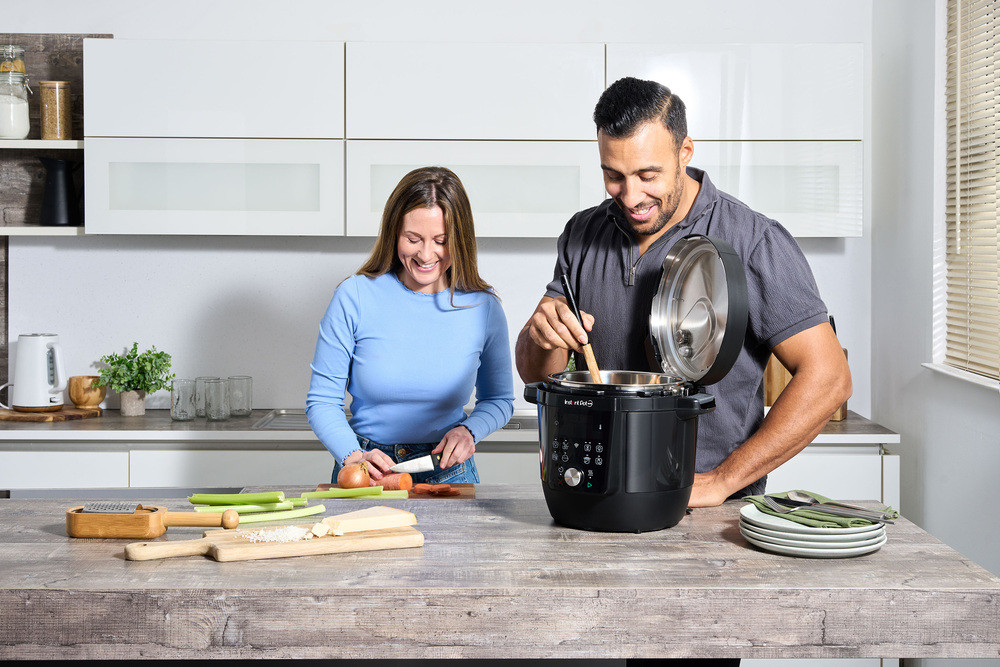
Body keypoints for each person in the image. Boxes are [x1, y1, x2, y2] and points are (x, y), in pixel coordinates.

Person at [515, 76, 852, 510]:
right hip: (595, 497)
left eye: (647, 175)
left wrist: (720, 481)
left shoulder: (752, 239)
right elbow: (536, 373)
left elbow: (829, 377)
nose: (631, 196)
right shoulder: (582, 234)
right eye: (613, 176)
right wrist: (540, 334)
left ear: (684, 153)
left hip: (707, 513)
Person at [306, 166, 514, 485]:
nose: (426, 255)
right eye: (413, 239)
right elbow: (322, 400)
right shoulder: (354, 297)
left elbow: (499, 400)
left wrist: (470, 430)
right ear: (394, 233)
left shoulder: (483, 307)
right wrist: (353, 456)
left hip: (448, 471)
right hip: (367, 467)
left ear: (460, 240)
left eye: (441, 241)